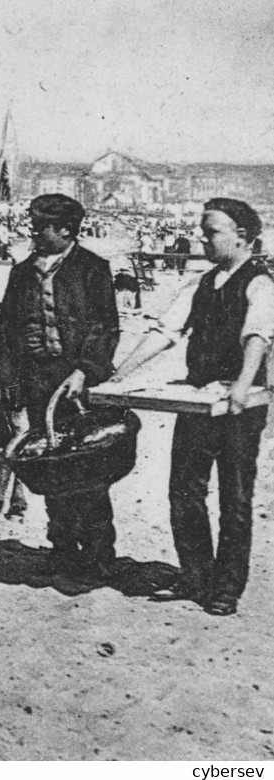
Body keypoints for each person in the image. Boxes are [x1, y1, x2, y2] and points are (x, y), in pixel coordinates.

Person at [112, 198, 273, 616]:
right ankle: (196, 574)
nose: (203, 238)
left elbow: (258, 336)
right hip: (198, 401)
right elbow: (166, 331)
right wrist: (120, 373)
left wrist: (241, 384)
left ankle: (226, 587)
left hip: (240, 406)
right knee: (184, 492)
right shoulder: (200, 284)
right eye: (202, 230)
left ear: (243, 236)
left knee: (234, 499)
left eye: (212, 231)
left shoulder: (260, 283)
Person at [0, 194, 120, 575]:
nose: (33, 231)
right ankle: (62, 548)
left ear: (66, 229)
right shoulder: (21, 272)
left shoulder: (93, 269)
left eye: (41, 225)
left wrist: (85, 370)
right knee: (49, 465)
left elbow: (106, 325)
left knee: (87, 468)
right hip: (37, 380)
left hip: (79, 382)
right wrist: (7, 378)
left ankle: (98, 552)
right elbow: (8, 329)